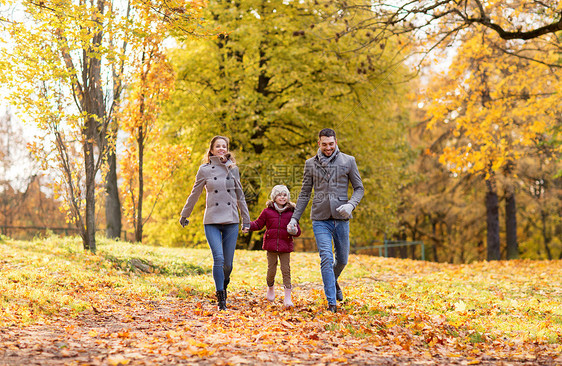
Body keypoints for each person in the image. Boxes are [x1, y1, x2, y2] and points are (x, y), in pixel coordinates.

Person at [287, 128, 364, 312]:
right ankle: (332, 303)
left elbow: (359, 188)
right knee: (326, 259)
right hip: (320, 218)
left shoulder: (348, 161)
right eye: (324, 144)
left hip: (341, 218)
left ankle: (332, 280)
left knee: (342, 260)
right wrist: (294, 219)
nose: (328, 148)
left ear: (336, 142)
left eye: (331, 144)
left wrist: (351, 205)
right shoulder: (310, 164)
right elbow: (305, 194)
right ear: (318, 144)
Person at [179, 136, 250, 311]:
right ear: (211, 150)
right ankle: (221, 299)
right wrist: (184, 214)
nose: (221, 149)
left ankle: (224, 284)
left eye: (224, 146)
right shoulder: (204, 170)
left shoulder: (233, 169)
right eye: (217, 146)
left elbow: (240, 196)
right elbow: (194, 194)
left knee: (228, 265)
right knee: (218, 258)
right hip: (211, 220)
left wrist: (246, 220)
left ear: (227, 149)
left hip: (231, 220)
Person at [249, 185, 301, 308]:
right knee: (271, 270)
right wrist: (247, 225)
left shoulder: (292, 212)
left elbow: (298, 231)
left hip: (285, 245)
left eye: (284, 195)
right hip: (271, 245)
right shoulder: (267, 211)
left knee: (286, 270)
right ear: (274, 197)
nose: (282, 197)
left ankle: (287, 297)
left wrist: (294, 230)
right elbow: (258, 224)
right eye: (279, 195)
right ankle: (270, 287)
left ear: (287, 197)